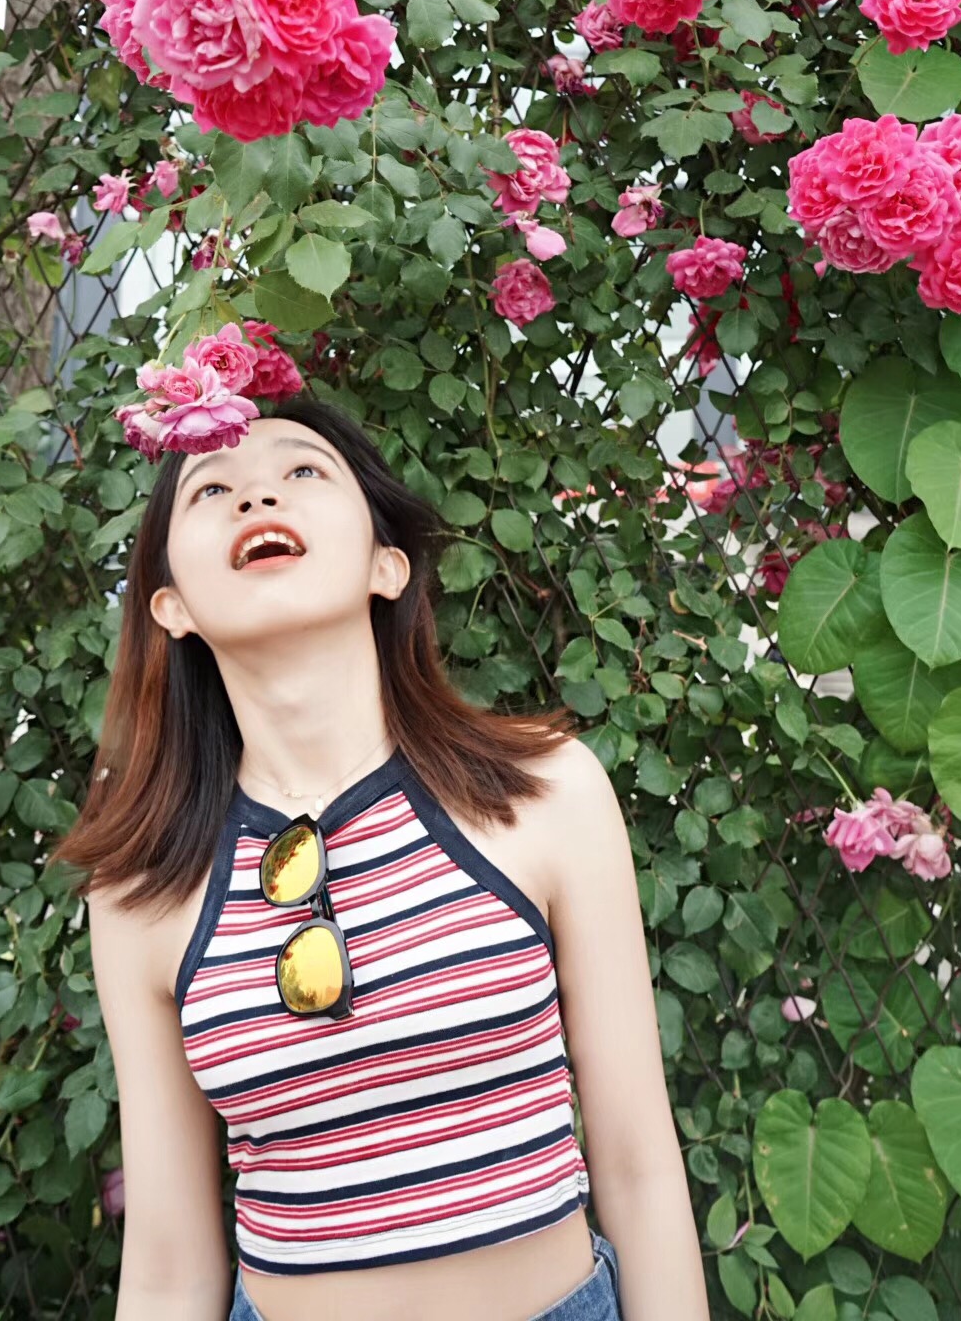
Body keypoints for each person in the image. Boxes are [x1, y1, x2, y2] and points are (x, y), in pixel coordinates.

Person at [50, 394, 709, 1321]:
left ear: (385, 564)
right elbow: (167, 1265)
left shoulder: (546, 792)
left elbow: (638, 1168)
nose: (257, 497)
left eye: (302, 470)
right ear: (173, 605)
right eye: (211, 489)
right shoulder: (141, 891)